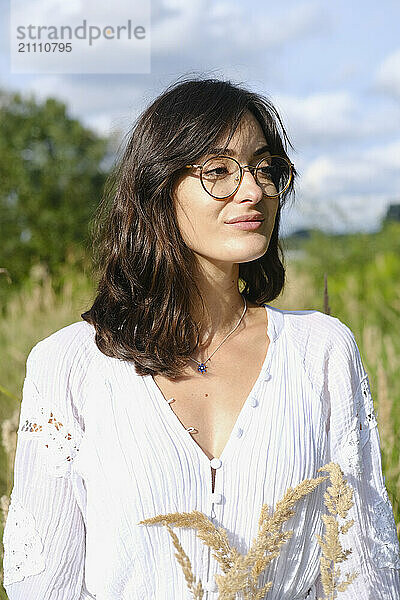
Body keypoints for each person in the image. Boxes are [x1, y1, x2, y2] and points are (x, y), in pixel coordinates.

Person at [2, 75, 400, 600]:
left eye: (265, 167)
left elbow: (362, 569)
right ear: (157, 188)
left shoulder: (321, 351)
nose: (254, 190)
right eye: (218, 170)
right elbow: (43, 584)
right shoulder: (70, 366)